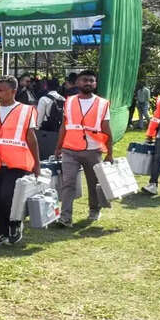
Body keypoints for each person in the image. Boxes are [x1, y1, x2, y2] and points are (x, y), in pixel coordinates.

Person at [0, 76, 41, 246]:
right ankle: (1, 231)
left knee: (7, 196)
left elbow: (31, 138)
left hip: (18, 162)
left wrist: (37, 164)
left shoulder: (26, 111)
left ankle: (14, 223)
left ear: (14, 91)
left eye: (1, 90)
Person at [53, 70, 112, 228]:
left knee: (93, 182)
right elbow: (64, 126)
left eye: (91, 80)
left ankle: (94, 209)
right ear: (77, 83)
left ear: (95, 84)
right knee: (68, 183)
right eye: (85, 80)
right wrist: (58, 147)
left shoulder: (102, 103)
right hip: (69, 149)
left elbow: (106, 129)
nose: (88, 83)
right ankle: (65, 218)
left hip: (93, 150)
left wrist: (110, 153)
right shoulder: (69, 101)